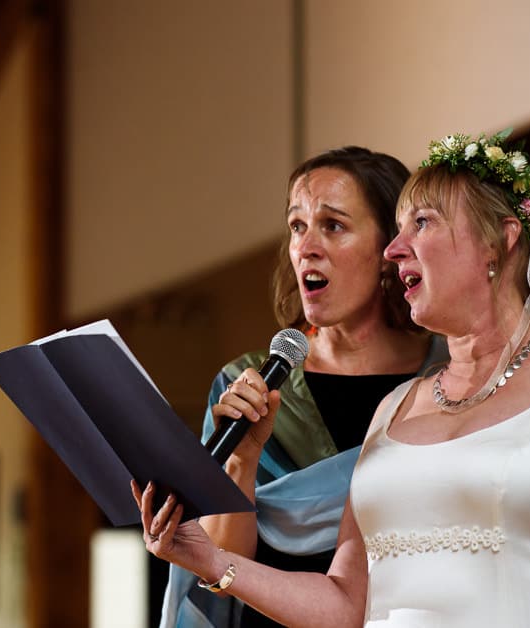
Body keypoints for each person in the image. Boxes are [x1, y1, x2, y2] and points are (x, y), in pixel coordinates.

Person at [135, 130, 530, 627]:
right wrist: (207, 560)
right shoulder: (395, 408)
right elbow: (345, 602)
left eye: (421, 223)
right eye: (398, 229)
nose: (396, 250)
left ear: (498, 243)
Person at [158, 146, 448, 627]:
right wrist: (242, 459)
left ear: (388, 250)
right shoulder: (244, 384)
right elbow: (223, 567)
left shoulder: (448, 377)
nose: (305, 246)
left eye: (332, 225)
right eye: (297, 226)